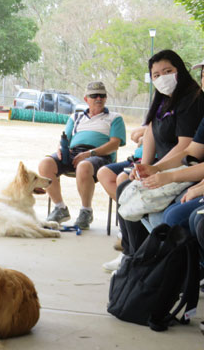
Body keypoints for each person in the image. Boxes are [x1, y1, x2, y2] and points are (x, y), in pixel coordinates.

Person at [115, 50, 204, 260]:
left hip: (189, 175)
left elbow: (185, 148)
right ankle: (136, 256)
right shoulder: (163, 102)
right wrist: (151, 168)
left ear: (179, 71)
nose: (161, 78)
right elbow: (191, 151)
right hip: (185, 172)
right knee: (128, 188)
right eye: (156, 75)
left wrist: (169, 176)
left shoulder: (193, 101)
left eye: (167, 71)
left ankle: (172, 266)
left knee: (171, 216)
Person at [39, 81, 126, 230]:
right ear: (86, 99)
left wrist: (90, 153)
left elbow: (114, 144)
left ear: (106, 98)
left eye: (102, 95)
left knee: (84, 165)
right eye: (94, 96)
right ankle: (60, 208)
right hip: (73, 153)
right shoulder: (76, 117)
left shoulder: (115, 117)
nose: (98, 98)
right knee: (45, 164)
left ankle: (86, 211)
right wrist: (61, 148)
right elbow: (65, 138)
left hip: (99, 155)